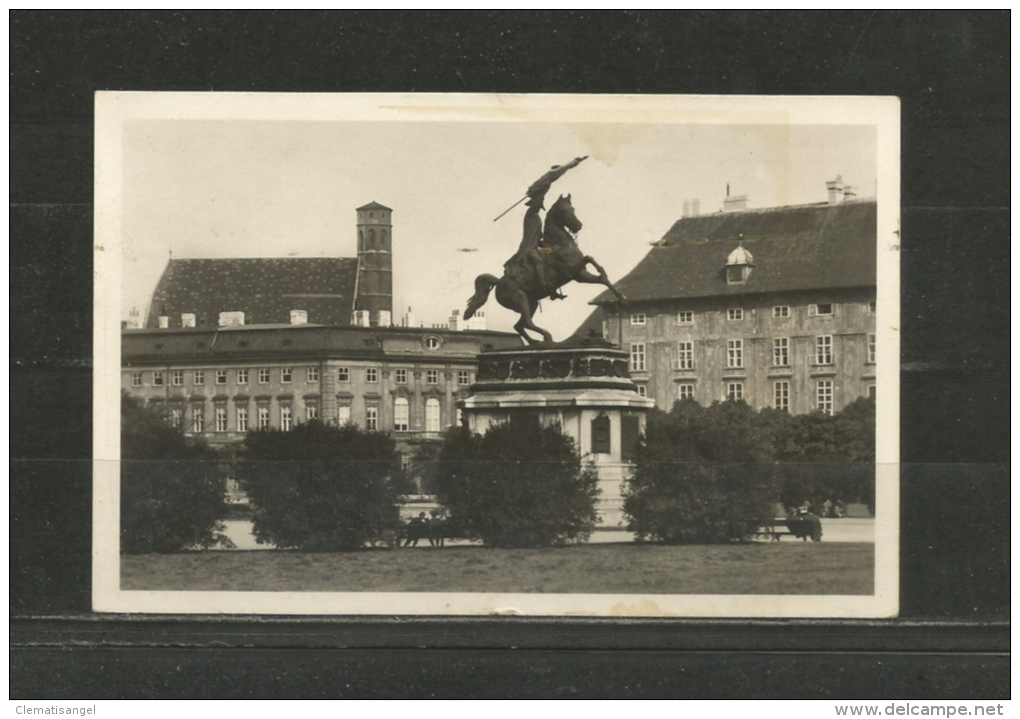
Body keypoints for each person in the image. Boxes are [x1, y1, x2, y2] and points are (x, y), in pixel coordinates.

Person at [504, 157, 587, 298]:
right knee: (537, 259)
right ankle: (547, 289)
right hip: (530, 249)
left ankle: (555, 283)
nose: (540, 202)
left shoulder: (537, 217)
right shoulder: (531, 215)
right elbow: (543, 185)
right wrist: (561, 169)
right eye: (538, 201)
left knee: (557, 254)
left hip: (541, 247)